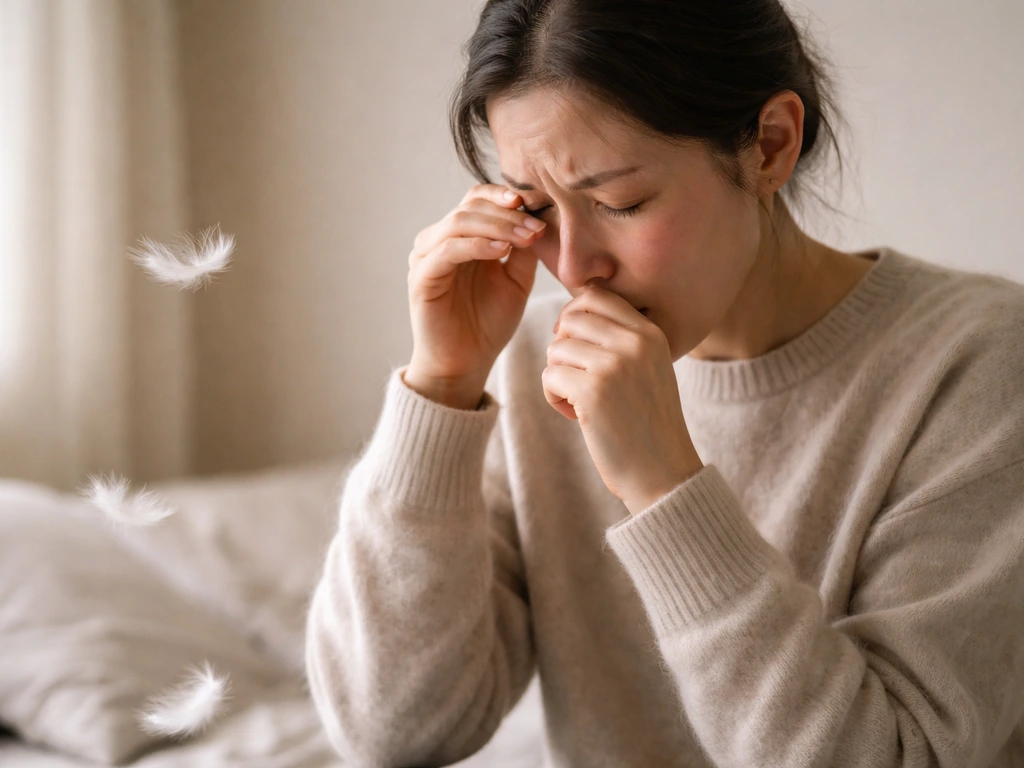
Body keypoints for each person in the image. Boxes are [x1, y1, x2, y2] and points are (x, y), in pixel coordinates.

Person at [305, 1, 1024, 765]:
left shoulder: (977, 363)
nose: (575, 267)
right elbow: (394, 731)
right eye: (539, 208)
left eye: (621, 202)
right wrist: (441, 389)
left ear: (770, 147)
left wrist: (664, 485)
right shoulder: (530, 369)